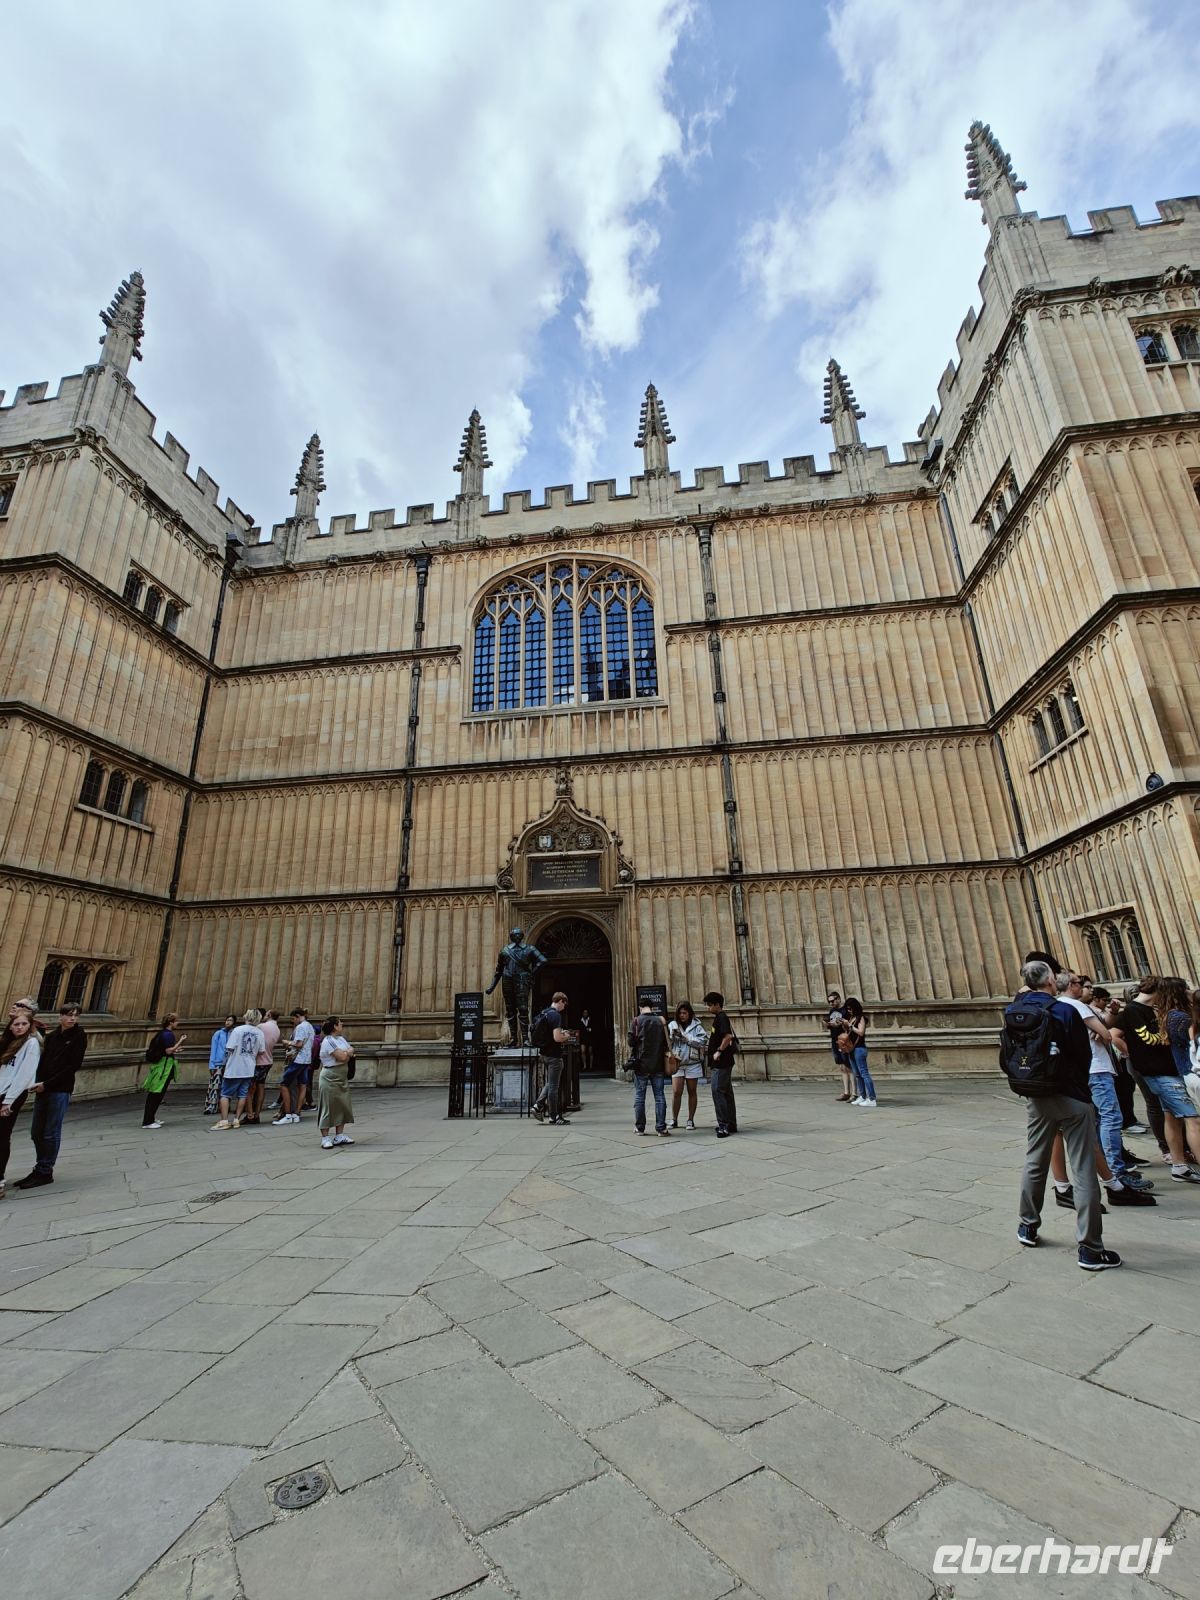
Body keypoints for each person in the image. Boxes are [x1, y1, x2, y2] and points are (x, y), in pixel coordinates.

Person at [1009, 959, 1120, 1269]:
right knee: (1083, 1168)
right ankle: (1090, 1249)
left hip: (1036, 1097)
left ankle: (1027, 1226)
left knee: (1034, 1161)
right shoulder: (1065, 1010)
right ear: (1049, 982)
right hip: (1072, 1095)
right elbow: (1082, 1055)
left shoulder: (1014, 1011)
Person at [1057, 974, 1153, 1198]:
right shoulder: (1075, 1006)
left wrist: (1109, 1016)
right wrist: (1102, 1032)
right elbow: (1106, 1034)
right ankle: (1116, 1173)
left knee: (1099, 1120)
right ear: (1071, 986)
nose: (1088, 989)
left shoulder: (1060, 1006)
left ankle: (1108, 1170)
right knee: (1110, 1118)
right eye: (1083, 985)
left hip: (1083, 1070)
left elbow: (1104, 1028)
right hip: (1096, 1069)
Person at [1111, 977, 1200, 1185]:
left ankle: (1179, 1166)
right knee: (1193, 1119)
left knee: (1172, 1117)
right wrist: (1132, 1055)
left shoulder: (1155, 1011)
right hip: (1159, 1072)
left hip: (1167, 1070)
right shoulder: (1134, 1011)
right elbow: (1117, 1035)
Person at [14, 1003, 87, 1189]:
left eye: (76, 1016)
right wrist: (36, 1082)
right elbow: (41, 1060)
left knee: (51, 1132)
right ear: (60, 1016)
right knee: (37, 1132)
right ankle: (40, 1168)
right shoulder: (52, 1037)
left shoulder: (79, 1036)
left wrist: (47, 1084)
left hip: (60, 1089)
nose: (72, 1019)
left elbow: (72, 1066)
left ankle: (45, 1170)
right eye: (69, 1015)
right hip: (43, 1088)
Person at [0, 1013, 41, 1198]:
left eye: (24, 1024)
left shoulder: (30, 1044)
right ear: (10, 1026)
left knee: (2, 1137)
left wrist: (9, 1101)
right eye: (16, 1024)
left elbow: (25, 1075)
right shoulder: (6, 1043)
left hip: (11, 1096)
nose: (20, 1027)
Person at [214, 1010, 264, 1130]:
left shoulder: (238, 1030)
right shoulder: (259, 1032)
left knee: (225, 1094)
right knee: (243, 1094)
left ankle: (224, 1120)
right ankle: (236, 1120)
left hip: (234, 1067)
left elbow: (229, 1047)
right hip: (249, 1068)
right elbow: (262, 1051)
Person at [629, 999, 670, 1137]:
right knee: (659, 1096)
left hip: (641, 1064)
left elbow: (630, 1042)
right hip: (658, 1064)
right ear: (652, 1007)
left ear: (640, 1007)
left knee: (640, 1097)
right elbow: (666, 1041)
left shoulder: (636, 1021)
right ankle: (661, 1128)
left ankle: (640, 1128)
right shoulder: (660, 1021)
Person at [531, 992, 573, 1126]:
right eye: (564, 1004)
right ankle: (553, 1116)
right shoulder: (555, 1015)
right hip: (554, 1056)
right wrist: (566, 1035)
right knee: (554, 1086)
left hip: (543, 1054)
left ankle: (538, 1106)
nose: (564, 1007)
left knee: (550, 1083)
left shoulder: (544, 1012)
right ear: (560, 1001)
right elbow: (557, 1038)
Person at [141, 1014, 185, 1128]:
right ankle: (148, 1121)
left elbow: (164, 1050)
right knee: (156, 1094)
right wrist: (180, 1041)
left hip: (161, 1066)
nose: (177, 1023)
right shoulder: (168, 1035)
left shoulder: (162, 1033)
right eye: (176, 1021)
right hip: (163, 1068)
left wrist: (175, 1049)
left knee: (156, 1093)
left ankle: (151, 1118)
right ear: (171, 1022)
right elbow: (169, 1051)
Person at [317, 1016, 356, 1148]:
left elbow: (350, 1051)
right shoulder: (328, 1041)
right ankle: (325, 1137)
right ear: (334, 1026)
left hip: (341, 1076)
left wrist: (347, 1054)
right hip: (330, 1076)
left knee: (342, 1105)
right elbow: (344, 1056)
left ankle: (339, 1135)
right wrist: (347, 1054)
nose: (342, 1025)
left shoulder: (340, 1039)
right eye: (340, 1023)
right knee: (328, 1106)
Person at [704, 990, 738, 1138]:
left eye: (710, 1005)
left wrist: (718, 1051)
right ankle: (731, 1123)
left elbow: (728, 1036)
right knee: (726, 1092)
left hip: (721, 1062)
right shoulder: (719, 1018)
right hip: (724, 1061)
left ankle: (723, 1125)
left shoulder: (721, 1018)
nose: (708, 1008)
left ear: (717, 1005)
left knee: (717, 1091)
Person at [668, 1001, 707, 1129]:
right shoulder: (672, 1025)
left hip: (692, 1063)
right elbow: (666, 1041)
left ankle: (690, 1119)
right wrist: (672, 1037)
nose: (682, 1016)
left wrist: (687, 1039)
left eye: (684, 1013)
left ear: (689, 1013)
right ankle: (674, 1119)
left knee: (692, 1091)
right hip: (678, 1062)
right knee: (676, 1091)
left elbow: (702, 1041)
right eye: (680, 1013)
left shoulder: (697, 1026)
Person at [275, 1007, 315, 1125]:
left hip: (298, 1059)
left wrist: (287, 1042)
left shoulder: (301, 1027)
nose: (293, 1021)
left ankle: (288, 1115)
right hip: (307, 1060)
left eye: (293, 1018)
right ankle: (296, 1113)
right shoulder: (310, 1026)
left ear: (298, 1016)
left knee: (284, 1085)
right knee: (302, 1086)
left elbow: (299, 1044)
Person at [246, 1009, 280, 1124]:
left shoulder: (261, 1027)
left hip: (258, 1061)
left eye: (265, 1015)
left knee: (249, 1089)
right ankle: (257, 1114)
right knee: (260, 1087)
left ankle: (250, 1115)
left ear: (269, 1015)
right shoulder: (277, 1029)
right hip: (268, 1061)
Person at [842, 997, 877, 1107]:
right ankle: (862, 1096)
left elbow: (861, 1032)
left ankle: (872, 1099)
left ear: (855, 1008)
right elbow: (849, 1033)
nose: (849, 1011)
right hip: (851, 1049)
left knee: (864, 1073)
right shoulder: (851, 1017)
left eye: (850, 1008)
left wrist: (851, 1026)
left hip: (859, 1049)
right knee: (857, 1074)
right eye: (847, 1009)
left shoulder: (861, 1018)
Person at [824, 991, 853, 1101]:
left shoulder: (845, 1010)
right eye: (829, 1001)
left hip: (844, 1040)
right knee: (842, 1066)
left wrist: (841, 1023)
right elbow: (831, 1025)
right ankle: (846, 1092)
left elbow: (849, 1024)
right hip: (835, 1040)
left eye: (832, 1001)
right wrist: (828, 1024)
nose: (831, 1003)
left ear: (839, 999)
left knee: (848, 1066)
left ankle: (854, 1092)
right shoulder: (832, 1011)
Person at [205, 1015, 234, 1115]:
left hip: (229, 1063)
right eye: (227, 1020)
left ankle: (224, 1106)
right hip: (218, 1062)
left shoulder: (234, 1033)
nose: (228, 1022)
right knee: (215, 1086)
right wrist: (211, 1064)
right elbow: (214, 1049)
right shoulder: (218, 1033)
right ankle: (211, 1106)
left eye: (230, 1020)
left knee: (226, 1085)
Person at [577, 1008, 594, 1072]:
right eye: (584, 1012)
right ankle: (584, 1066)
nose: (585, 1014)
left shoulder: (591, 1020)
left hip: (590, 1038)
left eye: (586, 1012)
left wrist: (590, 1029)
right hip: (583, 1038)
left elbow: (594, 1028)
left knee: (590, 1052)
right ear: (582, 1013)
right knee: (583, 1051)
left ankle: (591, 1066)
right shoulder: (580, 1021)